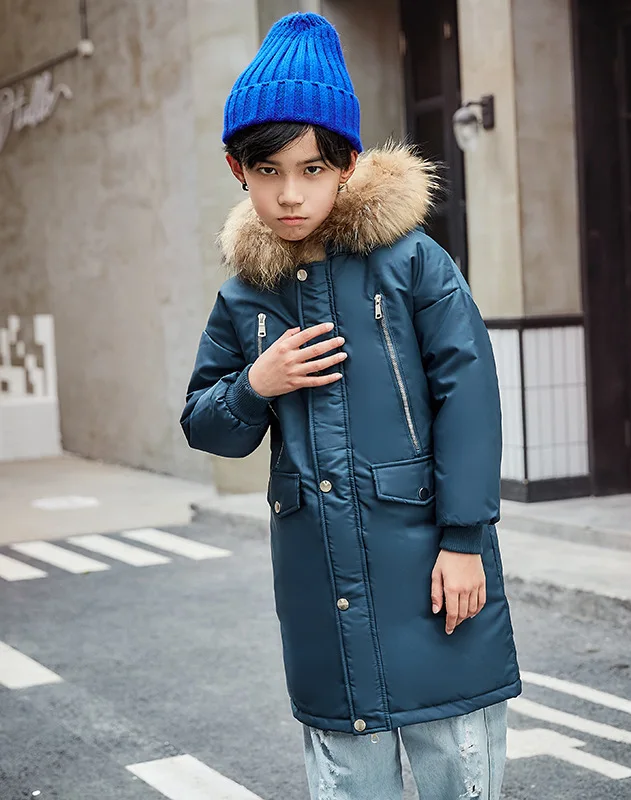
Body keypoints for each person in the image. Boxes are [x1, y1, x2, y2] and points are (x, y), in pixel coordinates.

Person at [181, 12, 520, 799]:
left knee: (456, 761)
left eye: (311, 168)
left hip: (430, 565)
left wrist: (464, 541)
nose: (289, 193)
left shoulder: (413, 263)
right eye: (267, 171)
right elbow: (205, 423)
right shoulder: (245, 296)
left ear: (347, 164)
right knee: (348, 771)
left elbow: (469, 399)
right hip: (319, 584)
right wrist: (255, 384)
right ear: (237, 169)